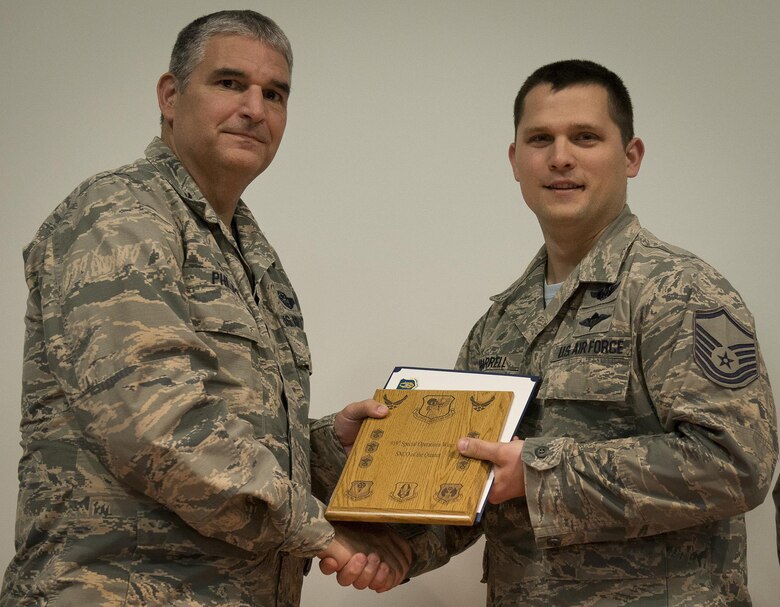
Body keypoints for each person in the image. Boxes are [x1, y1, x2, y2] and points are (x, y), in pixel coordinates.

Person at [0, 10, 410, 606]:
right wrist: (320, 531)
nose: (254, 108)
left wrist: (328, 448)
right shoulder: (120, 215)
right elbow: (154, 425)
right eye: (229, 83)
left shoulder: (250, 252)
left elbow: (229, 425)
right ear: (170, 95)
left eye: (275, 94)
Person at [407, 59, 777, 606]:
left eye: (585, 137)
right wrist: (394, 550)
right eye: (540, 139)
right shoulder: (499, 325)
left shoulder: (681, 292)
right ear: (515, 161)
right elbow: (471, 482)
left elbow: (737, 462)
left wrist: (539, 473)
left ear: (631, 157)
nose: (560, 157)